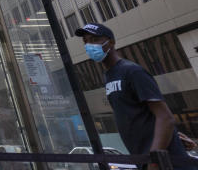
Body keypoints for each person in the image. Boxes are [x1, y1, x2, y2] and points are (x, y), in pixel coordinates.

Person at [77, 22, 197, 169]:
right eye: (86, 41)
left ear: (111, 42)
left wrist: (155, 160)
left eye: (95, 40)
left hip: (165, 163)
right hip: (142, 159)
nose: (89, 45)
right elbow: (139, 115)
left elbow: (165, 117)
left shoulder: (132, 71)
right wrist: (173, 135)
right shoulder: (109, 75)